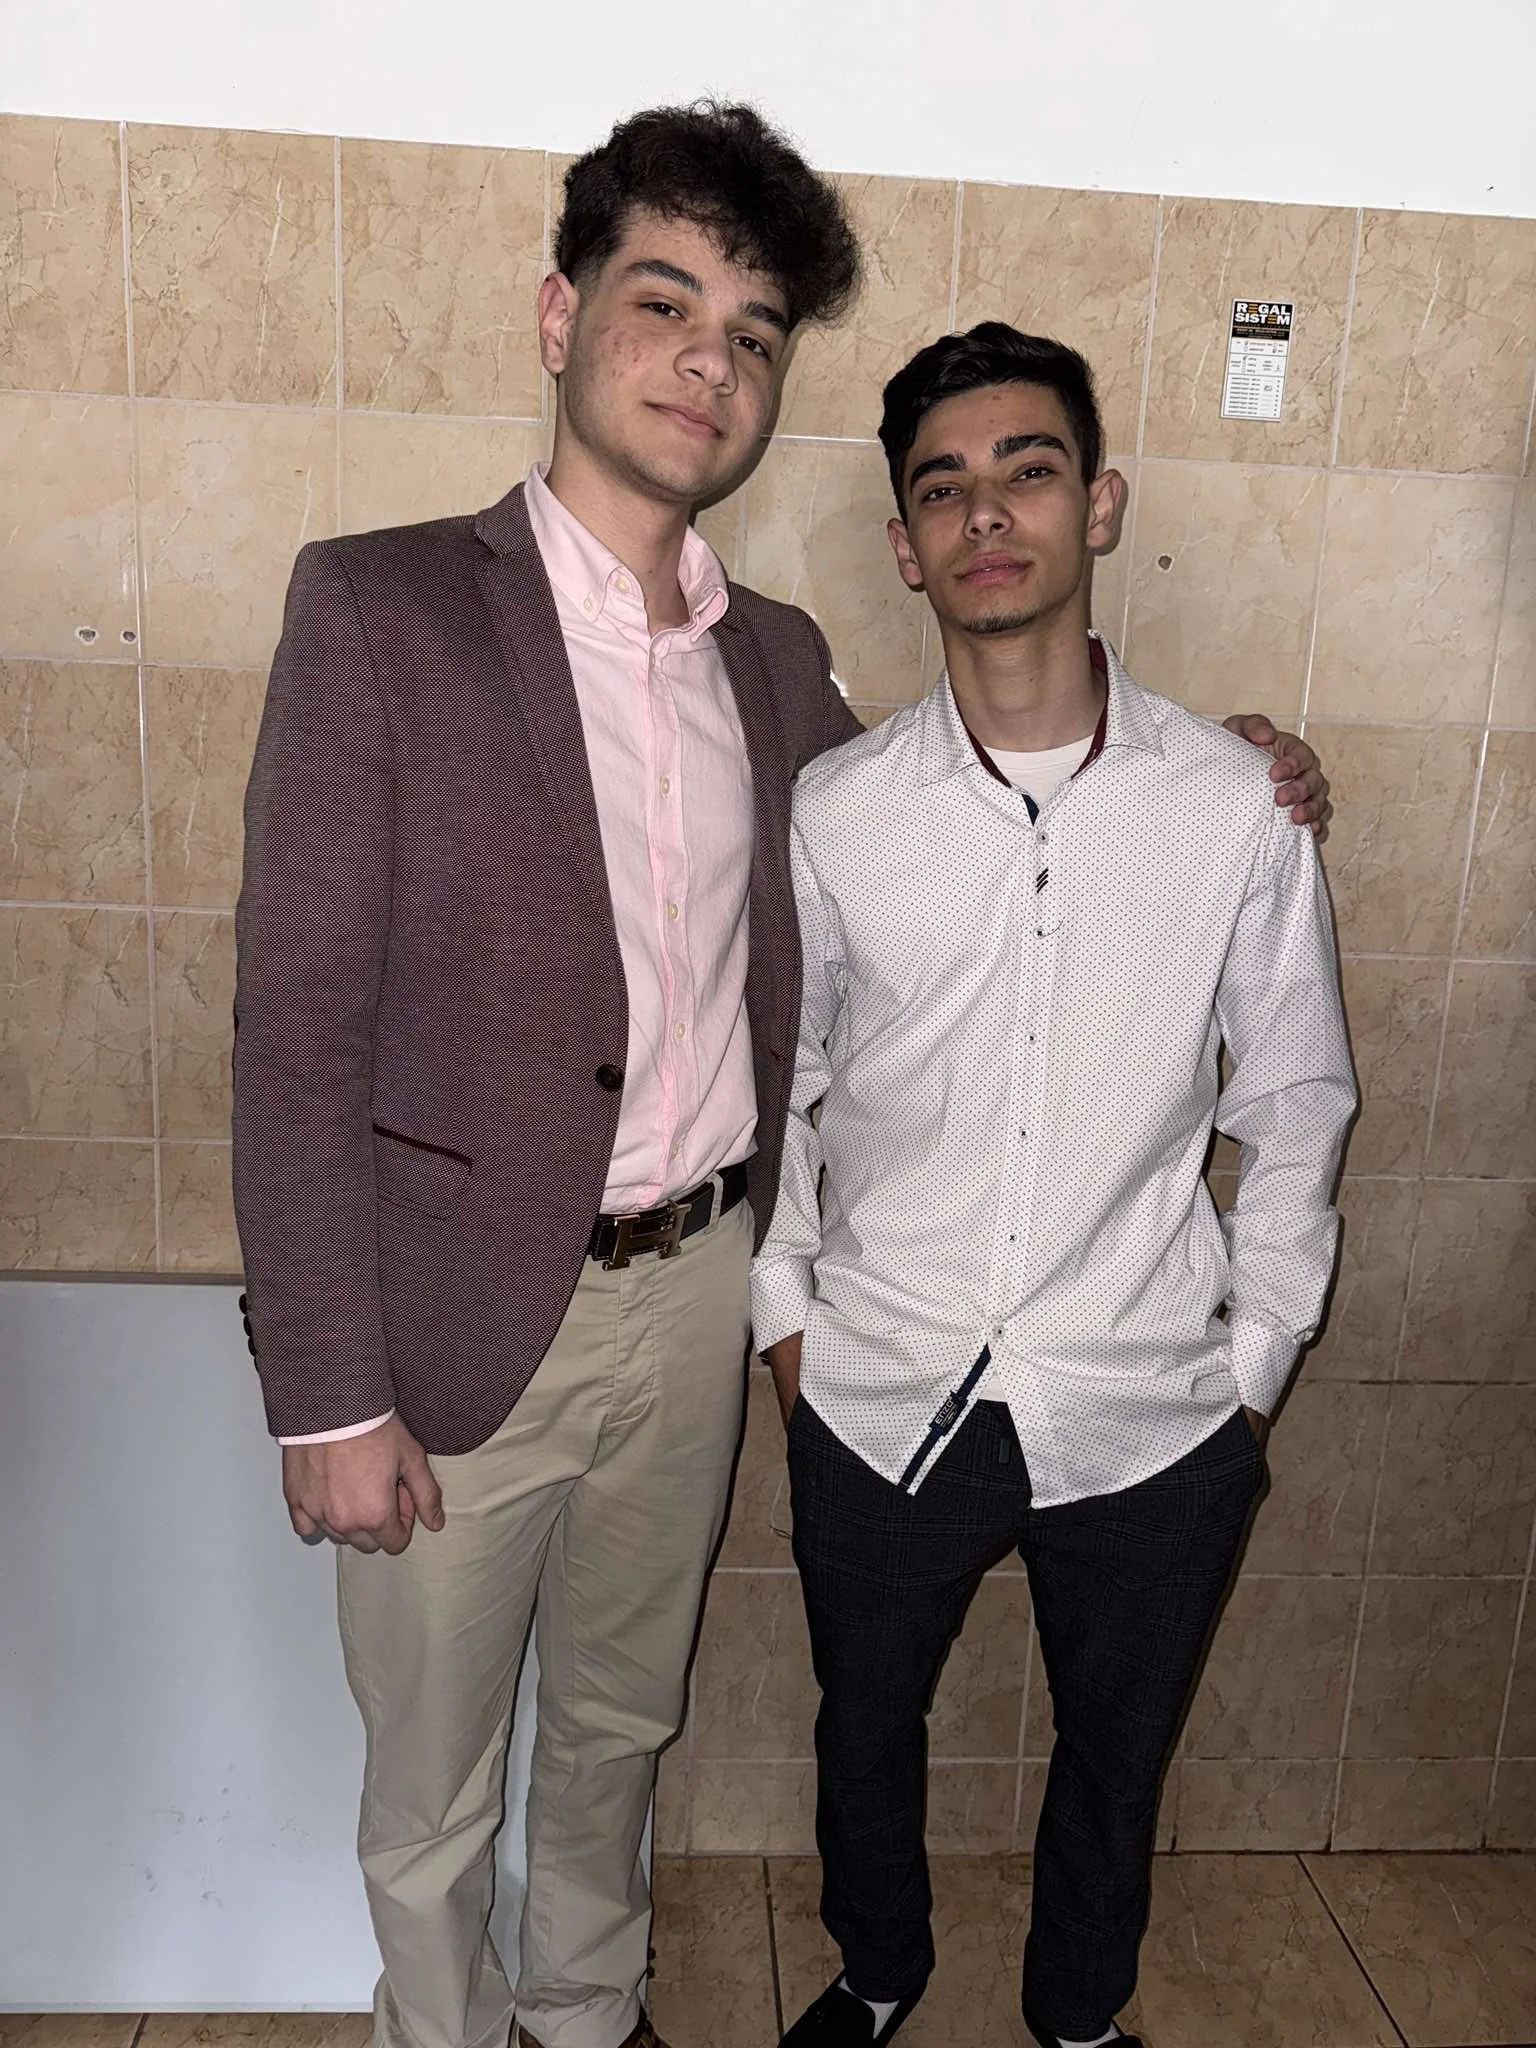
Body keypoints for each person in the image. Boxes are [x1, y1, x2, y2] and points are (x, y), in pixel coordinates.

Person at [232, 92, 1331, 2048]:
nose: (706, 363)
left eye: (750, 334)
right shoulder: (380, 606)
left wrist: (1232, 770)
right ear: (559, 318)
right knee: (431, 1787)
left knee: (619, 1727)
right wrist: (326, 1390)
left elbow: (970, 846)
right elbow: (298, 1023)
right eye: (665, 304)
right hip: (459, 1320)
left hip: (700, 1302)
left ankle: (585, 2011)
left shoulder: (784, 666)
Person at [752, 324, 1356, 2048]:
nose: (985, 514)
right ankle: (876, 1975)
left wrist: (1255, 1367)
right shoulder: (838, 812)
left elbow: (1301, 1095)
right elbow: (780, 1089)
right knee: (861, 1729)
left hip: (1152, 1391)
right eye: (942, 488)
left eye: (1026, 471)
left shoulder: (1236, 804)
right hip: (878, 1382)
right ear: (903, 544)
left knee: (1119, 1749)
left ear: (1096, 505)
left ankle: (1080, 2018)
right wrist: (791, 1334)